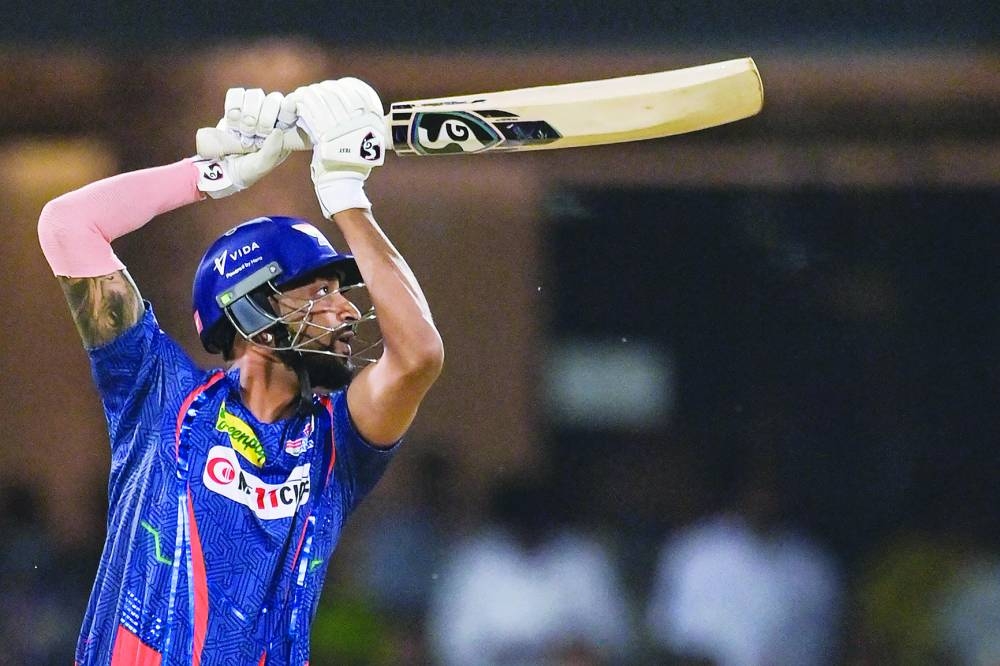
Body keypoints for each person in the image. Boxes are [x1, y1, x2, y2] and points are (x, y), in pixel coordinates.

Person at [37, 79, 443, 665]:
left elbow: (419, 355)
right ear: (252, 312)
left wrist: (345, 196)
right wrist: (208, 176)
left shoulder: (337, 442)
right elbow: (66, 225)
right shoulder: (160, 394)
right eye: (320, 291)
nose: (349, 310)